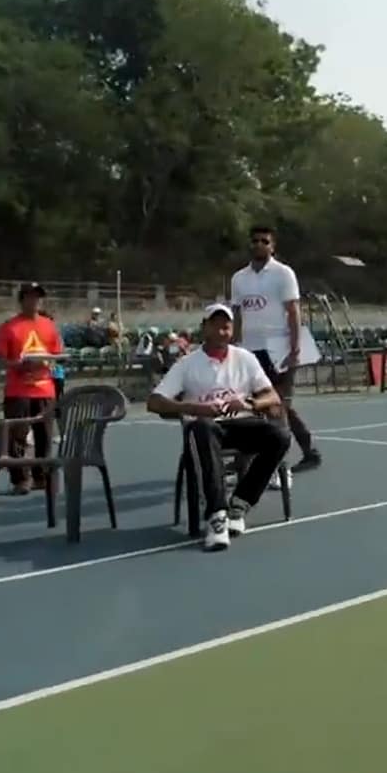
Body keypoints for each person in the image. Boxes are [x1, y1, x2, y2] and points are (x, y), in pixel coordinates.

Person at [147, 303, 291, 552]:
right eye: (217, 326)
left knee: (279, 436)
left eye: (227, 326)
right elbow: (155, 402)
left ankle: (240, 503)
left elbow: (272, 397)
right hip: (206, 427)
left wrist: (249, 402)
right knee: (201, 429)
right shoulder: (187, 363)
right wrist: (194, 409)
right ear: (205, 328)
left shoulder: (245, 358)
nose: (223, 331)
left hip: (241, 423)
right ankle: (216, 516)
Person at [230, 223, 321, 472]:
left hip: (278, 348)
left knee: (279, 405)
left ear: (273, 246)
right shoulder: (239, 278)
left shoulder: (283, 274)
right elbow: (237, 314)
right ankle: (245, 457)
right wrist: (233, 347)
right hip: (249, 349)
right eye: (256, 240)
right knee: (253, 404)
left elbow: (293, 312)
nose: (260, 245)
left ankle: (298, 455)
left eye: (265, 241)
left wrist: (295, 349)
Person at [0, 282, 64, 496]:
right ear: (22, 300)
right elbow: (1, 360)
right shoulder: (8, 328)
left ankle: (41, 477)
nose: (35, 301)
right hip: (18, 391)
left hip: (44, 391)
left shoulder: (49, 326)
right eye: (31, 297)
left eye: (38, 298)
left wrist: (48, 363)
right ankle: (21, 480)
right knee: (17, 436)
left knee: (44, 436)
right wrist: (20, 365)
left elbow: (56, 354)